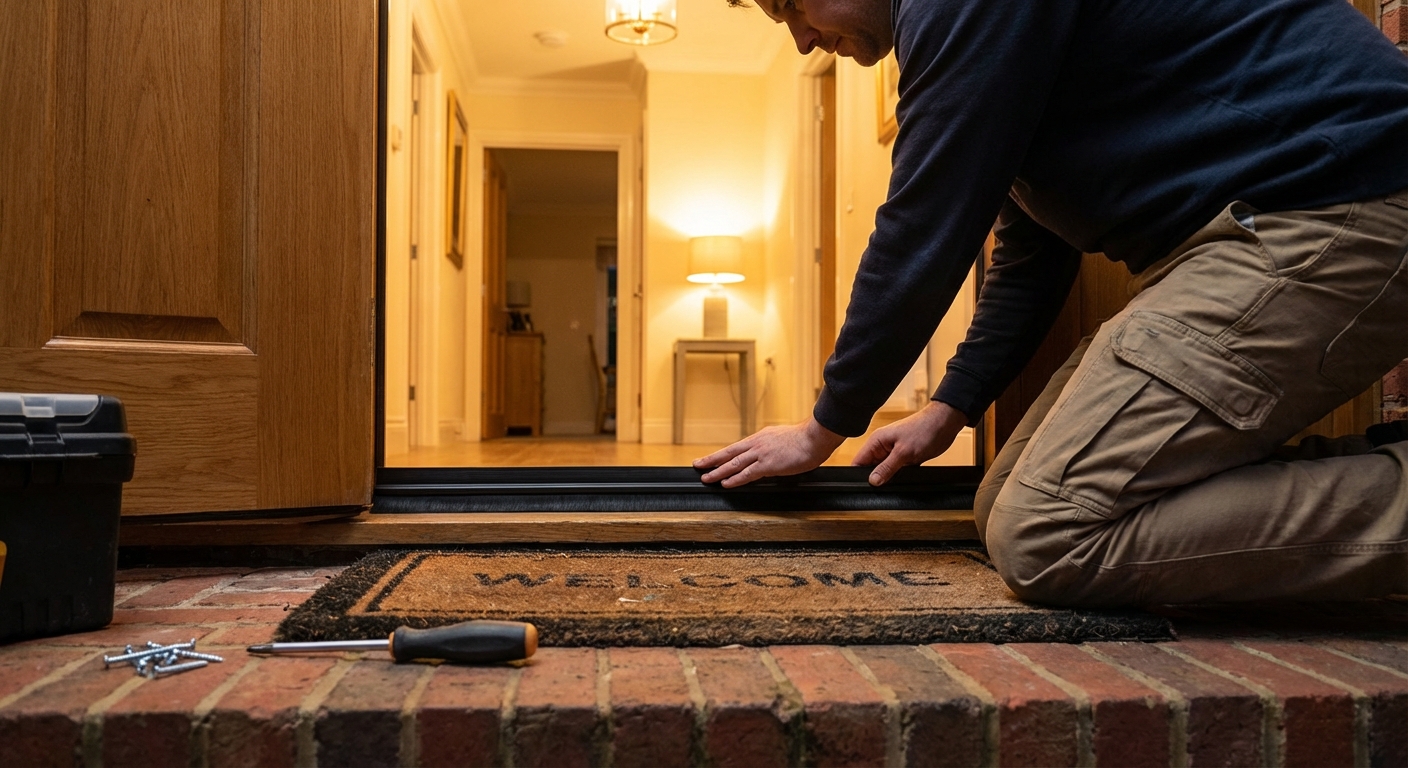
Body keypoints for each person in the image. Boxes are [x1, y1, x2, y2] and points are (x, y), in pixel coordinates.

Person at [695, 0, 1408, 606]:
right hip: (1258, 229)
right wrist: (953, 406)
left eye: (788, 4)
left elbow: (923, 223)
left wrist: (825, 427)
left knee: (1046, 533)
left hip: (1337, 205)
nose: (800, 39)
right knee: (1002, 499)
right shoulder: (990, 38)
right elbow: (1032, 253)